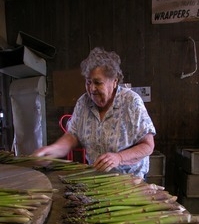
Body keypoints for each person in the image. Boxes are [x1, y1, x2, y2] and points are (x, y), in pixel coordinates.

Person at [33, 47, 156, 179]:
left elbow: (148, 145)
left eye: (98, 82)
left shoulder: (131, 102)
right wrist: (52, 150)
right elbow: (73, 136)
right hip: (98, 178)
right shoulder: (83, 103)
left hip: (130, 180)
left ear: (114, 82)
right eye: (88, 82)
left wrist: (119, 158)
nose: (91, 88)